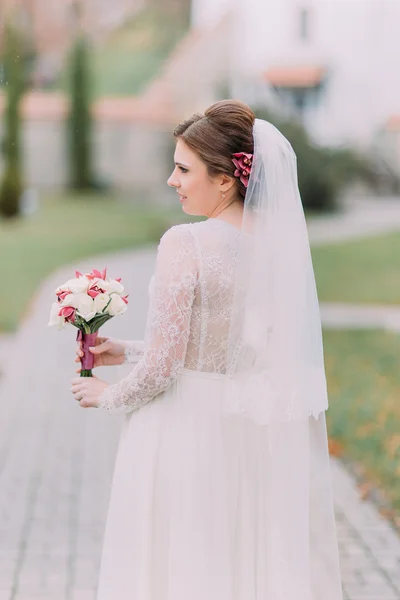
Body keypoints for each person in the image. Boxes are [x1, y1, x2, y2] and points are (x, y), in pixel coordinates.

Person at [71, 100, 343, 599]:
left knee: (173, 565)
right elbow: (231, 345)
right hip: (240, 430)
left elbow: (166, 367)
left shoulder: (186, 243)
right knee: (229, 562)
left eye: (181, 169)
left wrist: (104, 397)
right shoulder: (276, 247)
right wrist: (126, 350)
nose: (171, 180)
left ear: (225, 179)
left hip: (180, 429)